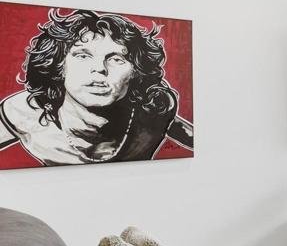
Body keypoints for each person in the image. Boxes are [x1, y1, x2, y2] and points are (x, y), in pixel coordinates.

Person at [0, 9, 193, 166]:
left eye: (116, 59)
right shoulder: (23, 112)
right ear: (58, 66)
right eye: (83, 56)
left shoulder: (157, 107)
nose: (100, 69)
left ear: (136, 72)